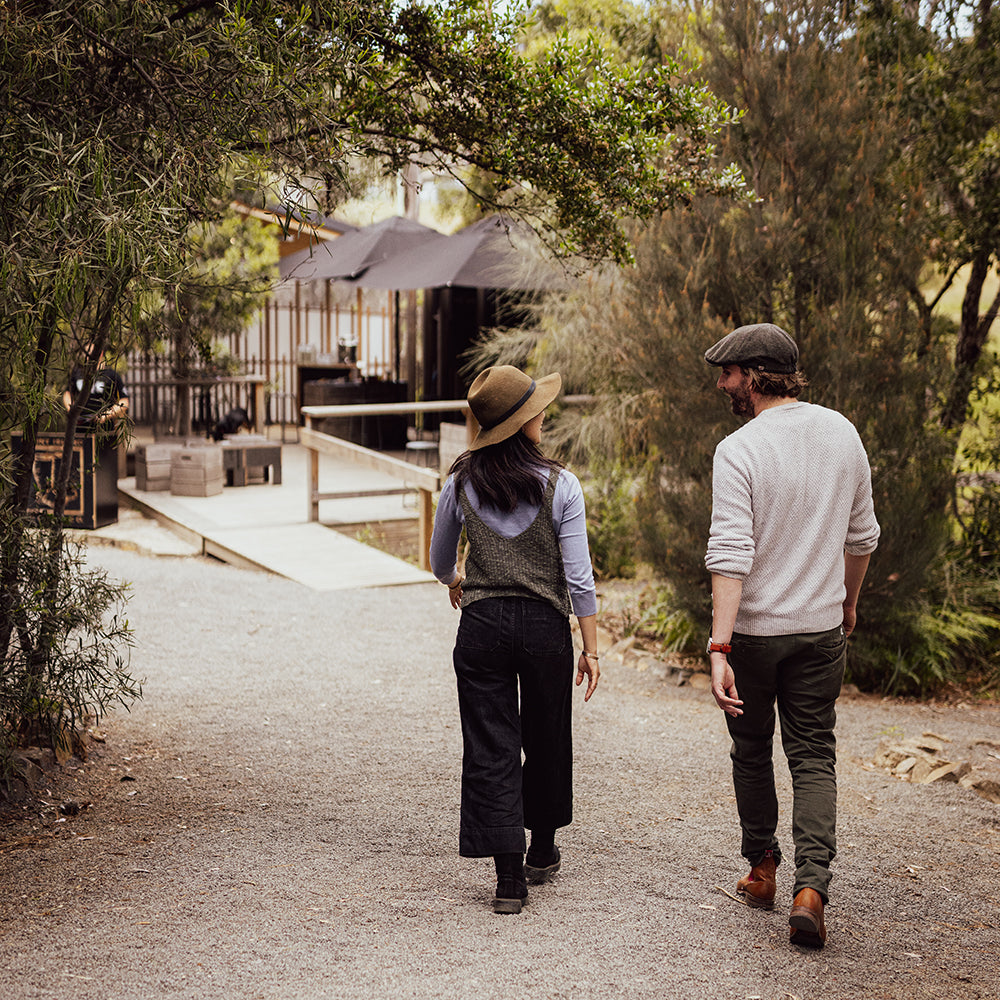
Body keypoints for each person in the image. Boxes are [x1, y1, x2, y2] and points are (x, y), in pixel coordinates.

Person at [703, 323, 880, 949]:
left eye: (728, 374)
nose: (723, 384)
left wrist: (719, 644)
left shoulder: (740, 449)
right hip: (819, 629)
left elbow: (731, 553)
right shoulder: (842, 433)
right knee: (813, 755)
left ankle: (762, 872)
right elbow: (863, 536)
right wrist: (847, 602)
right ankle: (812, 890)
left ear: (753, 375)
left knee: (751, 750)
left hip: (754, 634)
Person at [430, 364, 600, 915]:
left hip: (480, 628)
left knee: (491, 743)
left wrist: (459, 582)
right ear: (521, 422)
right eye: (535, 410)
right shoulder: (562, 484)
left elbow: (439, 562)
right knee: (547, 734)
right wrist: (591, 648)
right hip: (544, 629)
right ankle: (542, 849)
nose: (543, 416)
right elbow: (578, 578)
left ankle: (508, 881)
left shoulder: (460, 480)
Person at [63, 346, 130, 429]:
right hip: (80, 425)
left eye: (91, 353)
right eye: (86, 352)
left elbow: (124, 402)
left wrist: (106, 415)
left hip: (104, 428)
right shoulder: (78, 372)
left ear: (101, 353)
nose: (88, 356)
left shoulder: (111, 374)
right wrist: (71, 410)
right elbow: (67, 393)